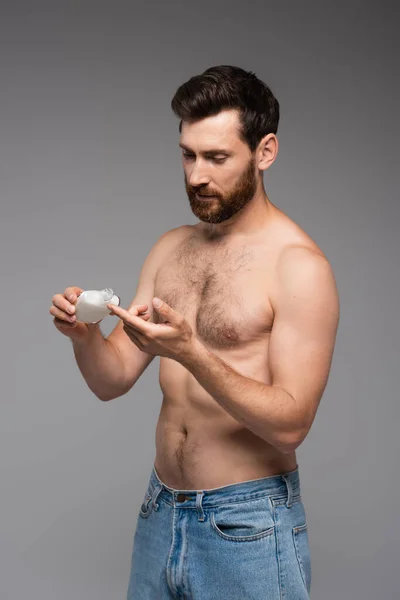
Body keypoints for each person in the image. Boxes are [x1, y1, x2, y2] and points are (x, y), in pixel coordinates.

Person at [50, 65, 340, 599]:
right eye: (188, 154)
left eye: (217, 158)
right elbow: (112, 380)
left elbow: (292, 424)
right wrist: (83, 335)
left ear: (265, 152)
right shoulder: (171, 248)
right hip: (161, 511)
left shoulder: (299, 268)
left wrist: (189, 352)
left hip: (248, 524)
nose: (195, 176)